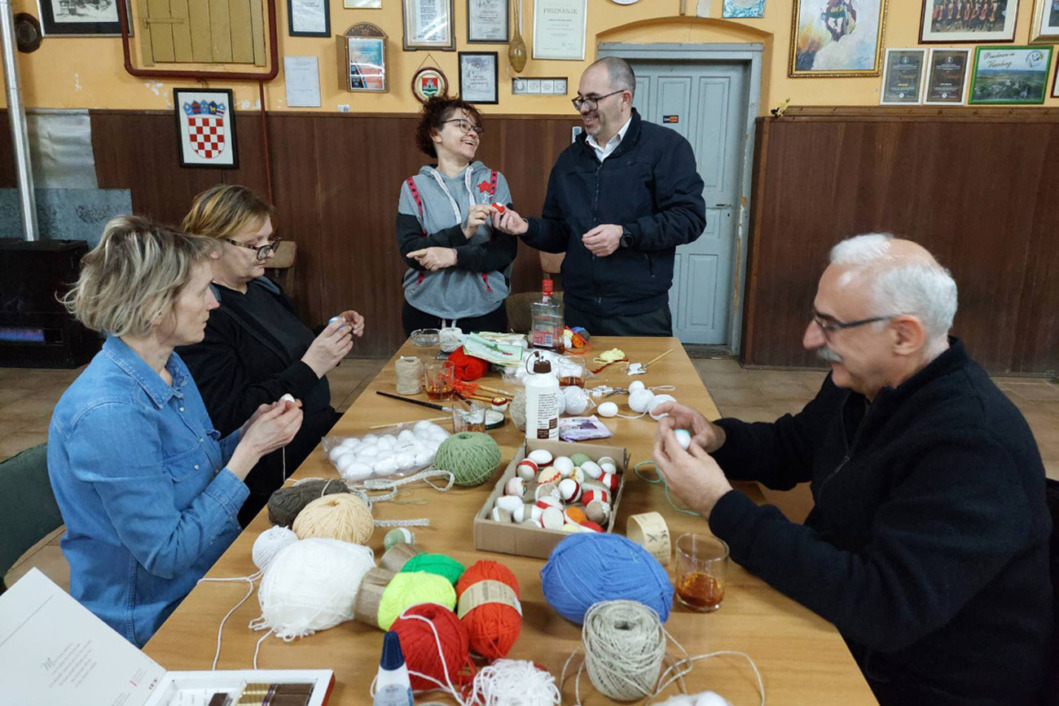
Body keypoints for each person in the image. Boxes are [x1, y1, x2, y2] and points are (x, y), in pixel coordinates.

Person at [652, 234, 1053, 705]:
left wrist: (718, 505)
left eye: (830, 325)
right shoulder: (864, 379)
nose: (810, 338)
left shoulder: (972, 444)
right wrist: (718, 438)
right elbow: (791, 447)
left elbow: (883, 606)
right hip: (846, 621)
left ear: (904, 335)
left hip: (916, 680)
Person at [48, 216, 303, 647]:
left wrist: (249, 434)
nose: (214, 303)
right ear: (154, 306)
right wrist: (245, 458)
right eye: (202, 291)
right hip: (157, 618)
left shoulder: (169, 366)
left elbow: (190, 471)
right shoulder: (109, 413)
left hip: (210, 573)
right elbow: (166, 555)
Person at [178, 185, 365, 526]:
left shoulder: (263, 287)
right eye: (254, 245)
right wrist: (312, 366)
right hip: (273, 471)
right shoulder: (205, 319)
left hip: (314, 433)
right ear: (211, 246)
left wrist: (331, 333)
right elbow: (229, 415)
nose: (266, 253)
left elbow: (285, 351)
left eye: (270, 241)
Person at [492, 57, 706, 337]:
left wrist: (624, 234)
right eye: (580, 100)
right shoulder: (569, 160)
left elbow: (689, 219)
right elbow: (559, 233)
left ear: (624, 98)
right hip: (579, 310)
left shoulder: (666, 147)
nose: (584, 109)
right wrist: (526, 227)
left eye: (593, 99)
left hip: (640, 314)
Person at [396, 96, 517, 335]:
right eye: (462, 125)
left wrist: (453, 256)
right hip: (423, 309)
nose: (472, 133)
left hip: (486, 310)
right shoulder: (413, 187)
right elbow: (411, 252)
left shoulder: (494, 182)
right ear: (435, 133)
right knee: (428, 374)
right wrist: (462, 232)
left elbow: (505, 251)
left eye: (475, 128)